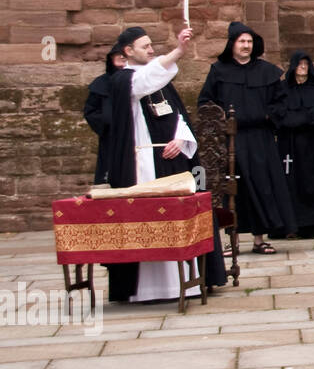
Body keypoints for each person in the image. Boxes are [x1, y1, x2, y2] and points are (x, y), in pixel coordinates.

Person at [103, 25, 227, 302]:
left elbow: (180, 116)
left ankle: (188, 283)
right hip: (141, 164)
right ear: (128, 51)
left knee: (178, 219)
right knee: (150, 221)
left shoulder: (161, 82)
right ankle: (147, 289)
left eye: (151, 45)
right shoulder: (123, 81)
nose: (150, 49)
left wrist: (181, 140)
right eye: (144, 46)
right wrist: (179, 51)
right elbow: (146, 80)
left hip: (172, 162)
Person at [198, 22, 296, 252]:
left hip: (260, 139)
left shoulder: (267, 71)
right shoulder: (219, 71)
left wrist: (267, 115)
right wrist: (220, 118)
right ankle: (232, 241)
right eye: (242, 41)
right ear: (232, 44)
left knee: (262, 188)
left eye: (249, 42)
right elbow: (205, 102)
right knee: (234, 191)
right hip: (231, 140)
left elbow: (281, 103)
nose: (246, 46)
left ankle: (259, 240)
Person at [271, 51, 314, 239]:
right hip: (288, 145)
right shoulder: (281, 90)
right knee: (289, 184)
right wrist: (302, 119)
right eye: (299, 63)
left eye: (306, 63)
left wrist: (301, 120)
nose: (303, 67)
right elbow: (276, 114)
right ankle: (290, 226)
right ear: (293, 66)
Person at [84, 42, 126, 185]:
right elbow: (91, 111)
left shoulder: (142, 79)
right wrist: (108, 121)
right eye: (118, 56)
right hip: (112, 138)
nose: (122, 59)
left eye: (125, 56)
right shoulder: (102, 83)